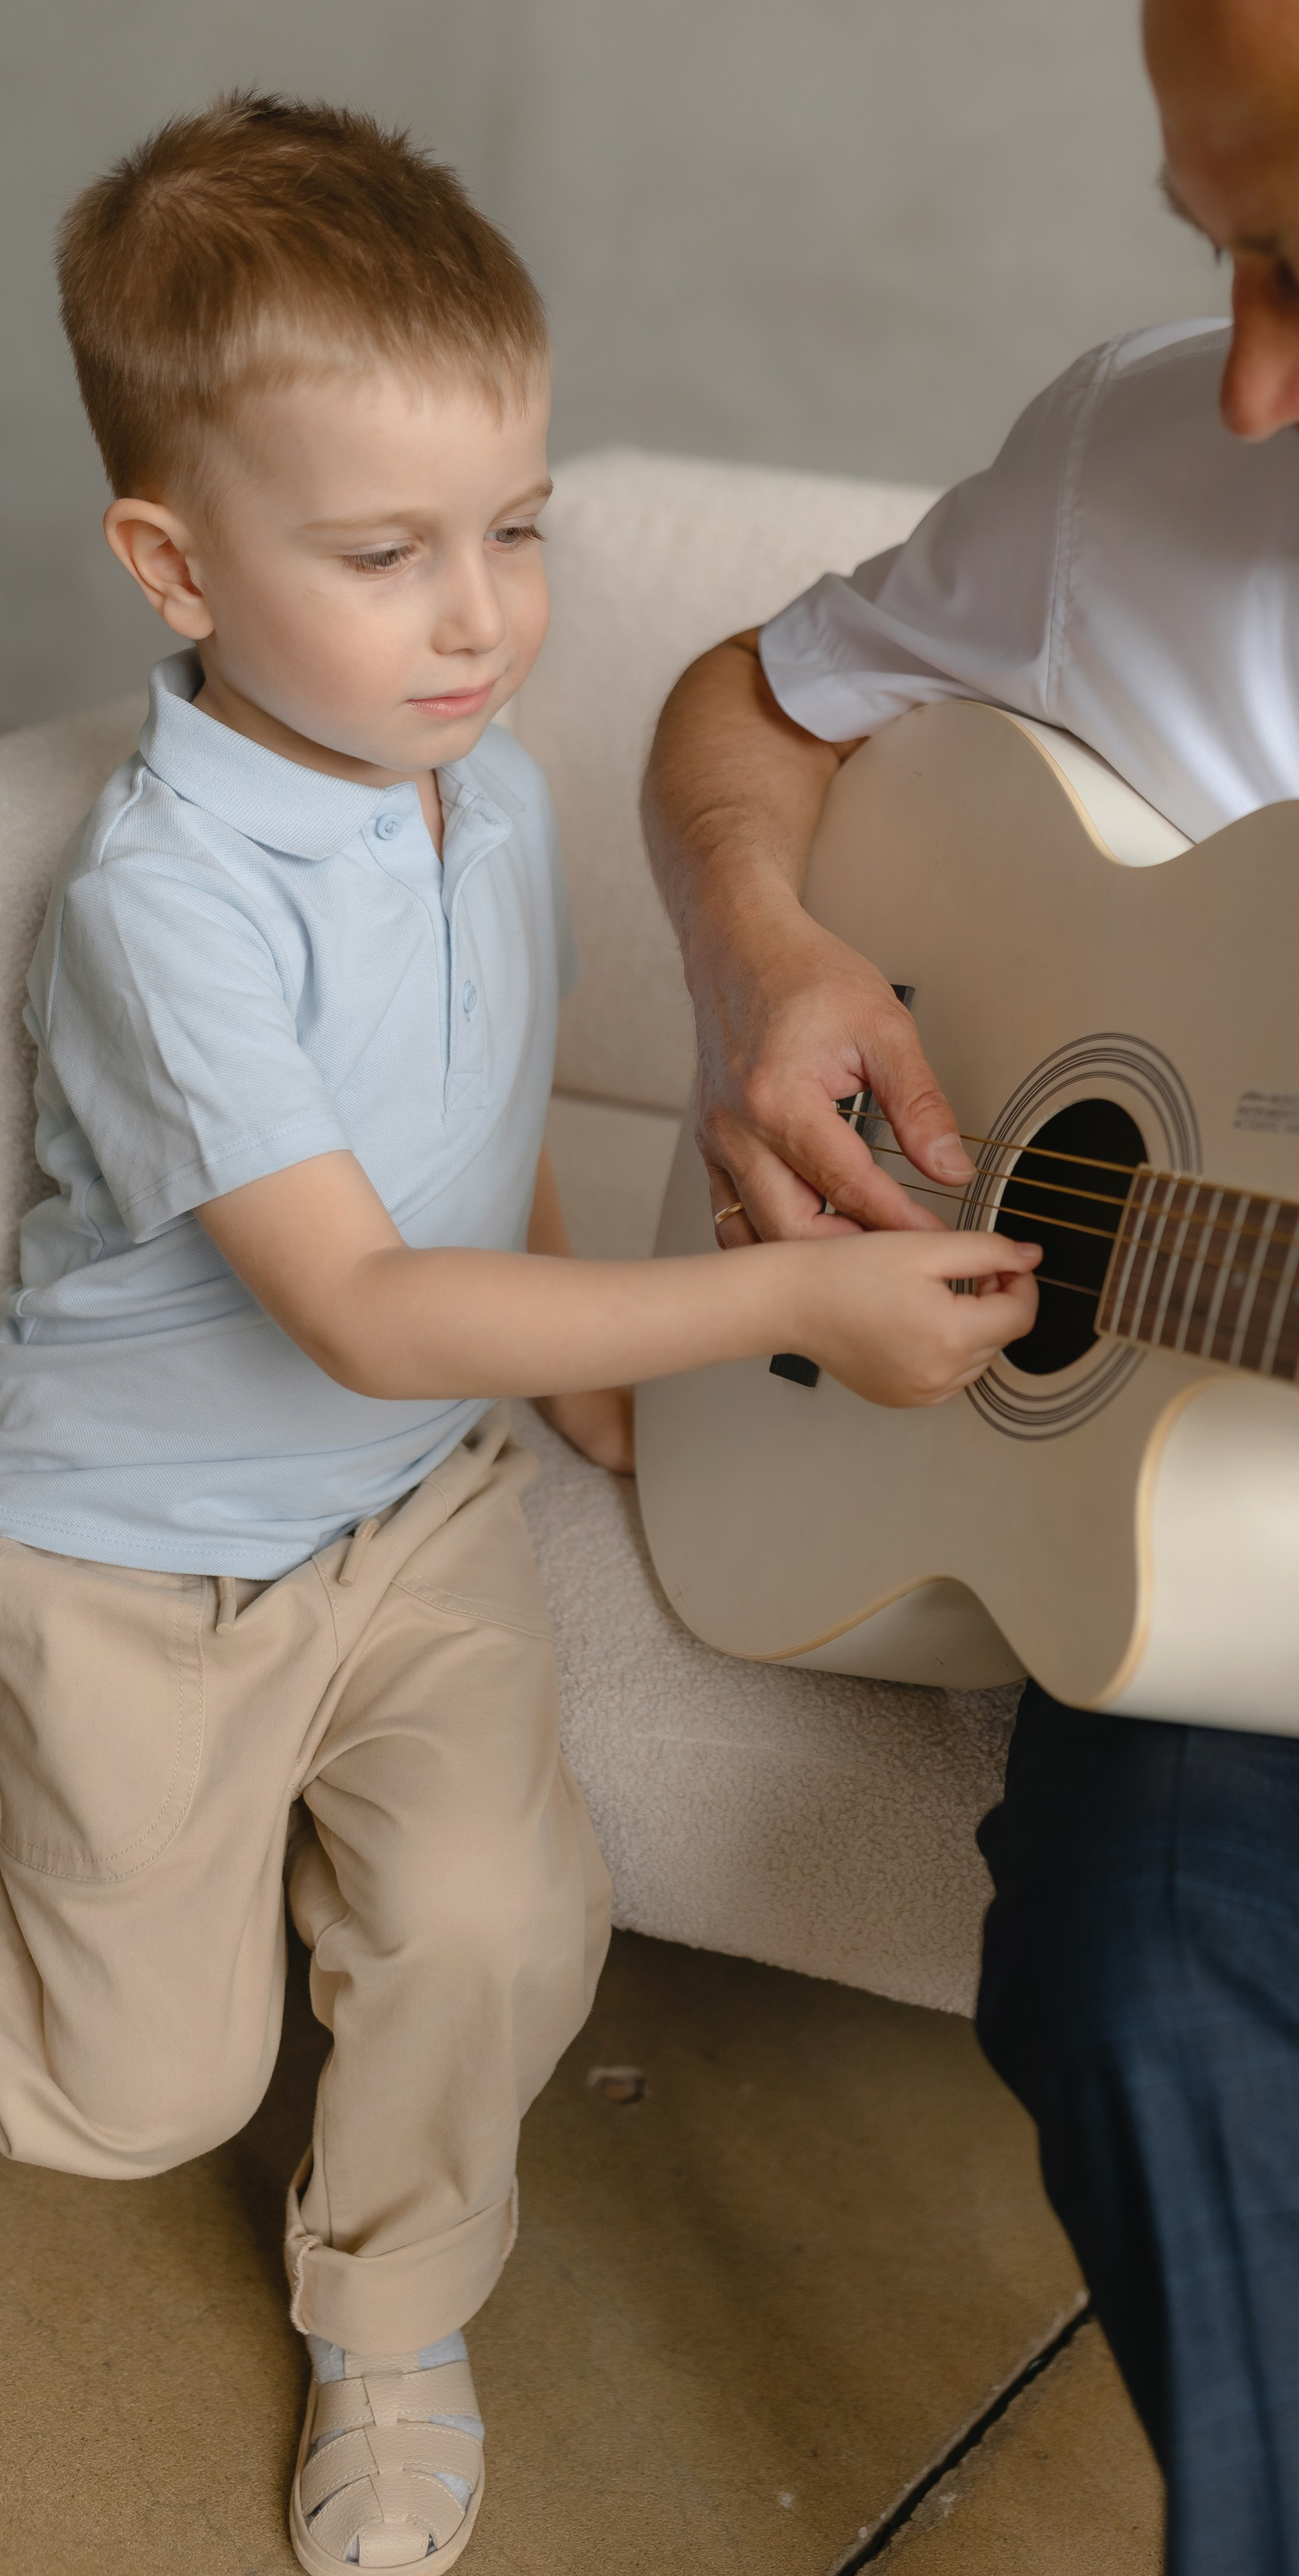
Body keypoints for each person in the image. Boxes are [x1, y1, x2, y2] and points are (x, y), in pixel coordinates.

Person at [642, 2, 1299, 2569]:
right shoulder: (1139, 456)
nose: (1250, 382)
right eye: (1221, 251)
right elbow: (755, 706)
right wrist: (760, 945)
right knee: (1146, 1956)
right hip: (1266, 1535)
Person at [3, 94, 1040, 2575]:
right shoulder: (170, 908)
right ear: (174, 564)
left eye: (518, 527)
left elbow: (477, 1136)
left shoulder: (478, 794)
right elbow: (364, 1301)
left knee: (494, 1915)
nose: (479, 618)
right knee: (141, 2093)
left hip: (416, 1504)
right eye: (385, 555)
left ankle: (392, 2315)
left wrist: (577, 1363)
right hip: (133, 1554)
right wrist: (780, 1298)